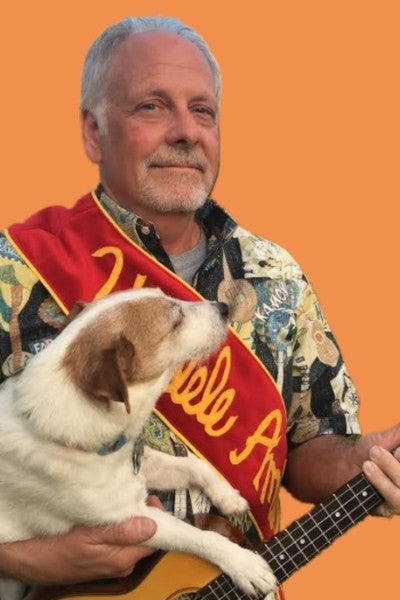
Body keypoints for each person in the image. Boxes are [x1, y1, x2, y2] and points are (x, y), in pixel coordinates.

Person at [0, 15, 399, 598]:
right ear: (93, 132)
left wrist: (361, 461)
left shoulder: (277, 275)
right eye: (152, 106)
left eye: (203, 110)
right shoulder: (18, 265)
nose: (187, 131)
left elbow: (308, 446)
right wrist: (24, 559)